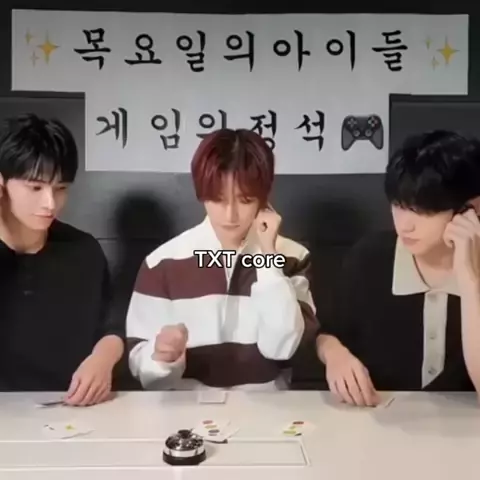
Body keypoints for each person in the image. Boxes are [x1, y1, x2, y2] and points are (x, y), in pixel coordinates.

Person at [126, 128, 319, 390]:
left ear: (264, 197)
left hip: (267, 412)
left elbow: (282, 347)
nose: (230, 215)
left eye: (245, 200)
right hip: (185, 411)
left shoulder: (293, 257)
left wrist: (268, 258)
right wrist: (162, 358)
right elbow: (142, 365)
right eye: (217, 199)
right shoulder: (162, 262)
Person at [316, 130, 480, 406]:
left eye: (424, 211)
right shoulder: (370, 258)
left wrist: (469, 280)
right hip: (380, 420)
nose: (405, 225)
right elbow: (327, 333)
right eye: (399, 206)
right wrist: (335, 355)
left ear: (471, 209)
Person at [0, 113, 124, 405]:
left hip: (71, 410)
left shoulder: (82, 250)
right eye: (35, 187)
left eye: (61, 189)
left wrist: (103, 358)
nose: (50, 203)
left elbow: (112, 327)